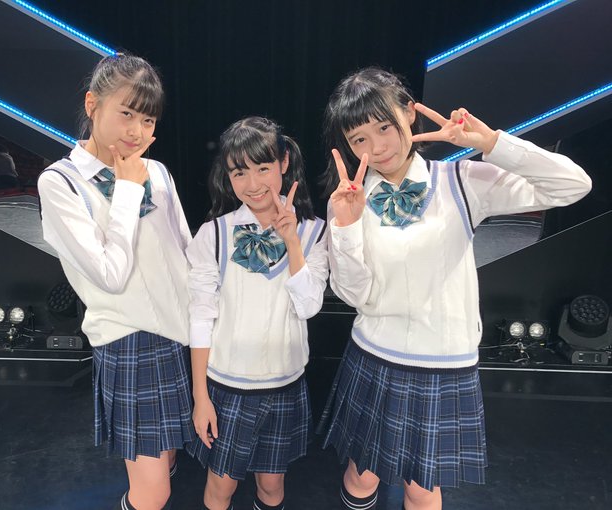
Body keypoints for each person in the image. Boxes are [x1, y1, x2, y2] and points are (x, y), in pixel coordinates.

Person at [318, 67, 591, 510]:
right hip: (375, 356)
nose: (377, 147)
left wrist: (493, 144)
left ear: (409, 113)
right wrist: (346, 228)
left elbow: (573, 185)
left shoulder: (461, 180)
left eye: (384, 127)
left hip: (443, 365)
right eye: (359, 139)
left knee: (422, 488)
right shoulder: (350, 200)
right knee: (361, 474)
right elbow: (353, 295)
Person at [37, 53, 195, 510]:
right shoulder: (62, 183)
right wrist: (126, 188)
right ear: (93, 104)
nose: (137, 131)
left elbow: (184, 253)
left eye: (148, 120)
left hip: (178, 336)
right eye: (126, 113)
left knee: (169, 465)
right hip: (129, 343)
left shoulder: (156, 172)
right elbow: (110, 274)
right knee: (154, 492)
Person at [186, 116, 329, 510]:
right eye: (239, 172)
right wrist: (201, 397)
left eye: (263, 168)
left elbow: (309, 306)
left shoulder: (314, 233)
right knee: (221, 488)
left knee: (272, 487)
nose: (252, 184)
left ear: (284, 162)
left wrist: (292, 243)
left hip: (286, 385)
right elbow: (200, 318)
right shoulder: (214, 234)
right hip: (227, 387)